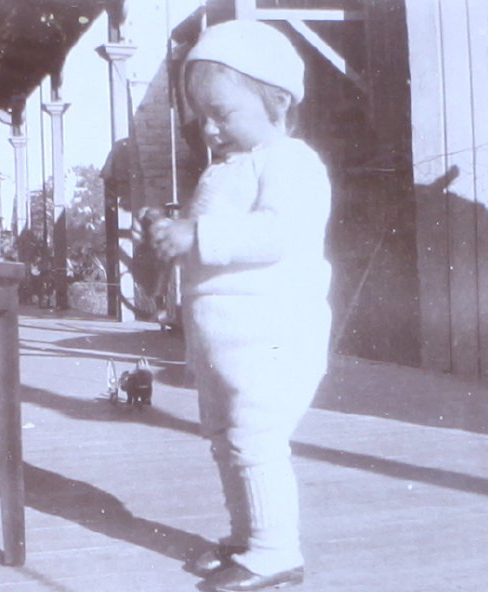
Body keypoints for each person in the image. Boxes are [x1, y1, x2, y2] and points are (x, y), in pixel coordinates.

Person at [147, 19, 332, 592]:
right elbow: (209, 242)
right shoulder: (226, 170)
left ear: (278, 100)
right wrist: (171, 233)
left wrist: (197, 235)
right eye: (199, 116)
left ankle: (276, 552)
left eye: (222, 113)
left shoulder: (291, 162)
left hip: (271, 335)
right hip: (222, 337)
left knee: (255, 439)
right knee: (226, 439)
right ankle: (247, 537)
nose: (208, 128)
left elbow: (277, 233)